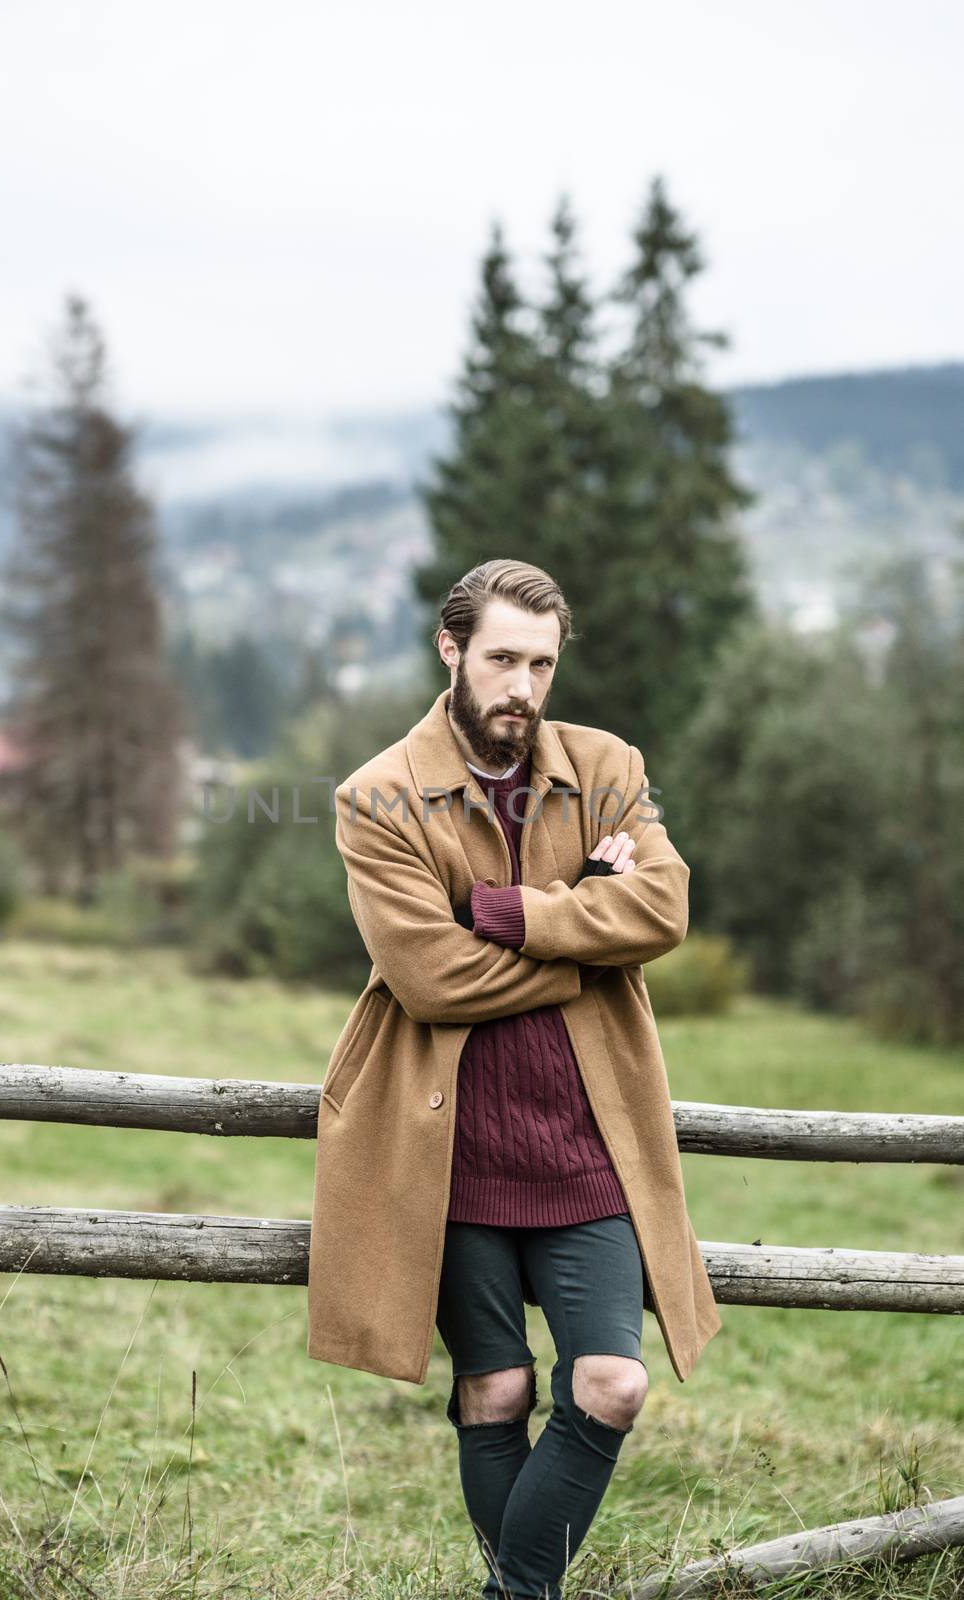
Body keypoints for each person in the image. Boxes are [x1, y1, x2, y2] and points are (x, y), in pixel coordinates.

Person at [429, 560, 650, 1599]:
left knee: (609, 1382)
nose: (523, 684)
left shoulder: (608, 766)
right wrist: (585, 916)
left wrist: (512, 910)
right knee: (496, 1387)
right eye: (503, 658)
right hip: (451, 1146)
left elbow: (663, 913)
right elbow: (431, 974)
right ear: (453, 651)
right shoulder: (379, 792)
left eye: (542, 663)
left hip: (586, 1146)